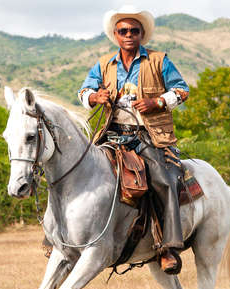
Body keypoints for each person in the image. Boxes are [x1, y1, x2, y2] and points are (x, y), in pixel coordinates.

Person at [78, 5, 190, 275]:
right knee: (76, 172)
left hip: (148, 136)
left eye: (134, 31)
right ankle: (59, 237)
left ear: (142, 34)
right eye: (123, 30)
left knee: (165, 179)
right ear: (116, 35)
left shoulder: (159, 60)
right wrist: (95, 98)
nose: (129, 34)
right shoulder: (103, 64)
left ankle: (167, 247)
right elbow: (83, 91)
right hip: (111, 133)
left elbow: (182, 90)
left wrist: (158, 101)